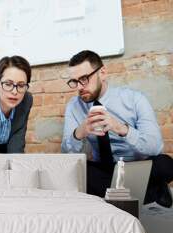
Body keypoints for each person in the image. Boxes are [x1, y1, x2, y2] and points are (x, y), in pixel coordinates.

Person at [61, 50, 173, 208]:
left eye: (84, 79)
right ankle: (151, 191)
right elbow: (67, 156)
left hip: (137, 165)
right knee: (74, 172)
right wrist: (79, 132)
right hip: (106, 169)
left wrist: (120, 128)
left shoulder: (135, 99)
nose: (79, 87)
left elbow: (155, 146)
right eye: (74, 81)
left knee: (166, 165)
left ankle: (113, 196)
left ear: (103, 73)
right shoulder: (74, 106)